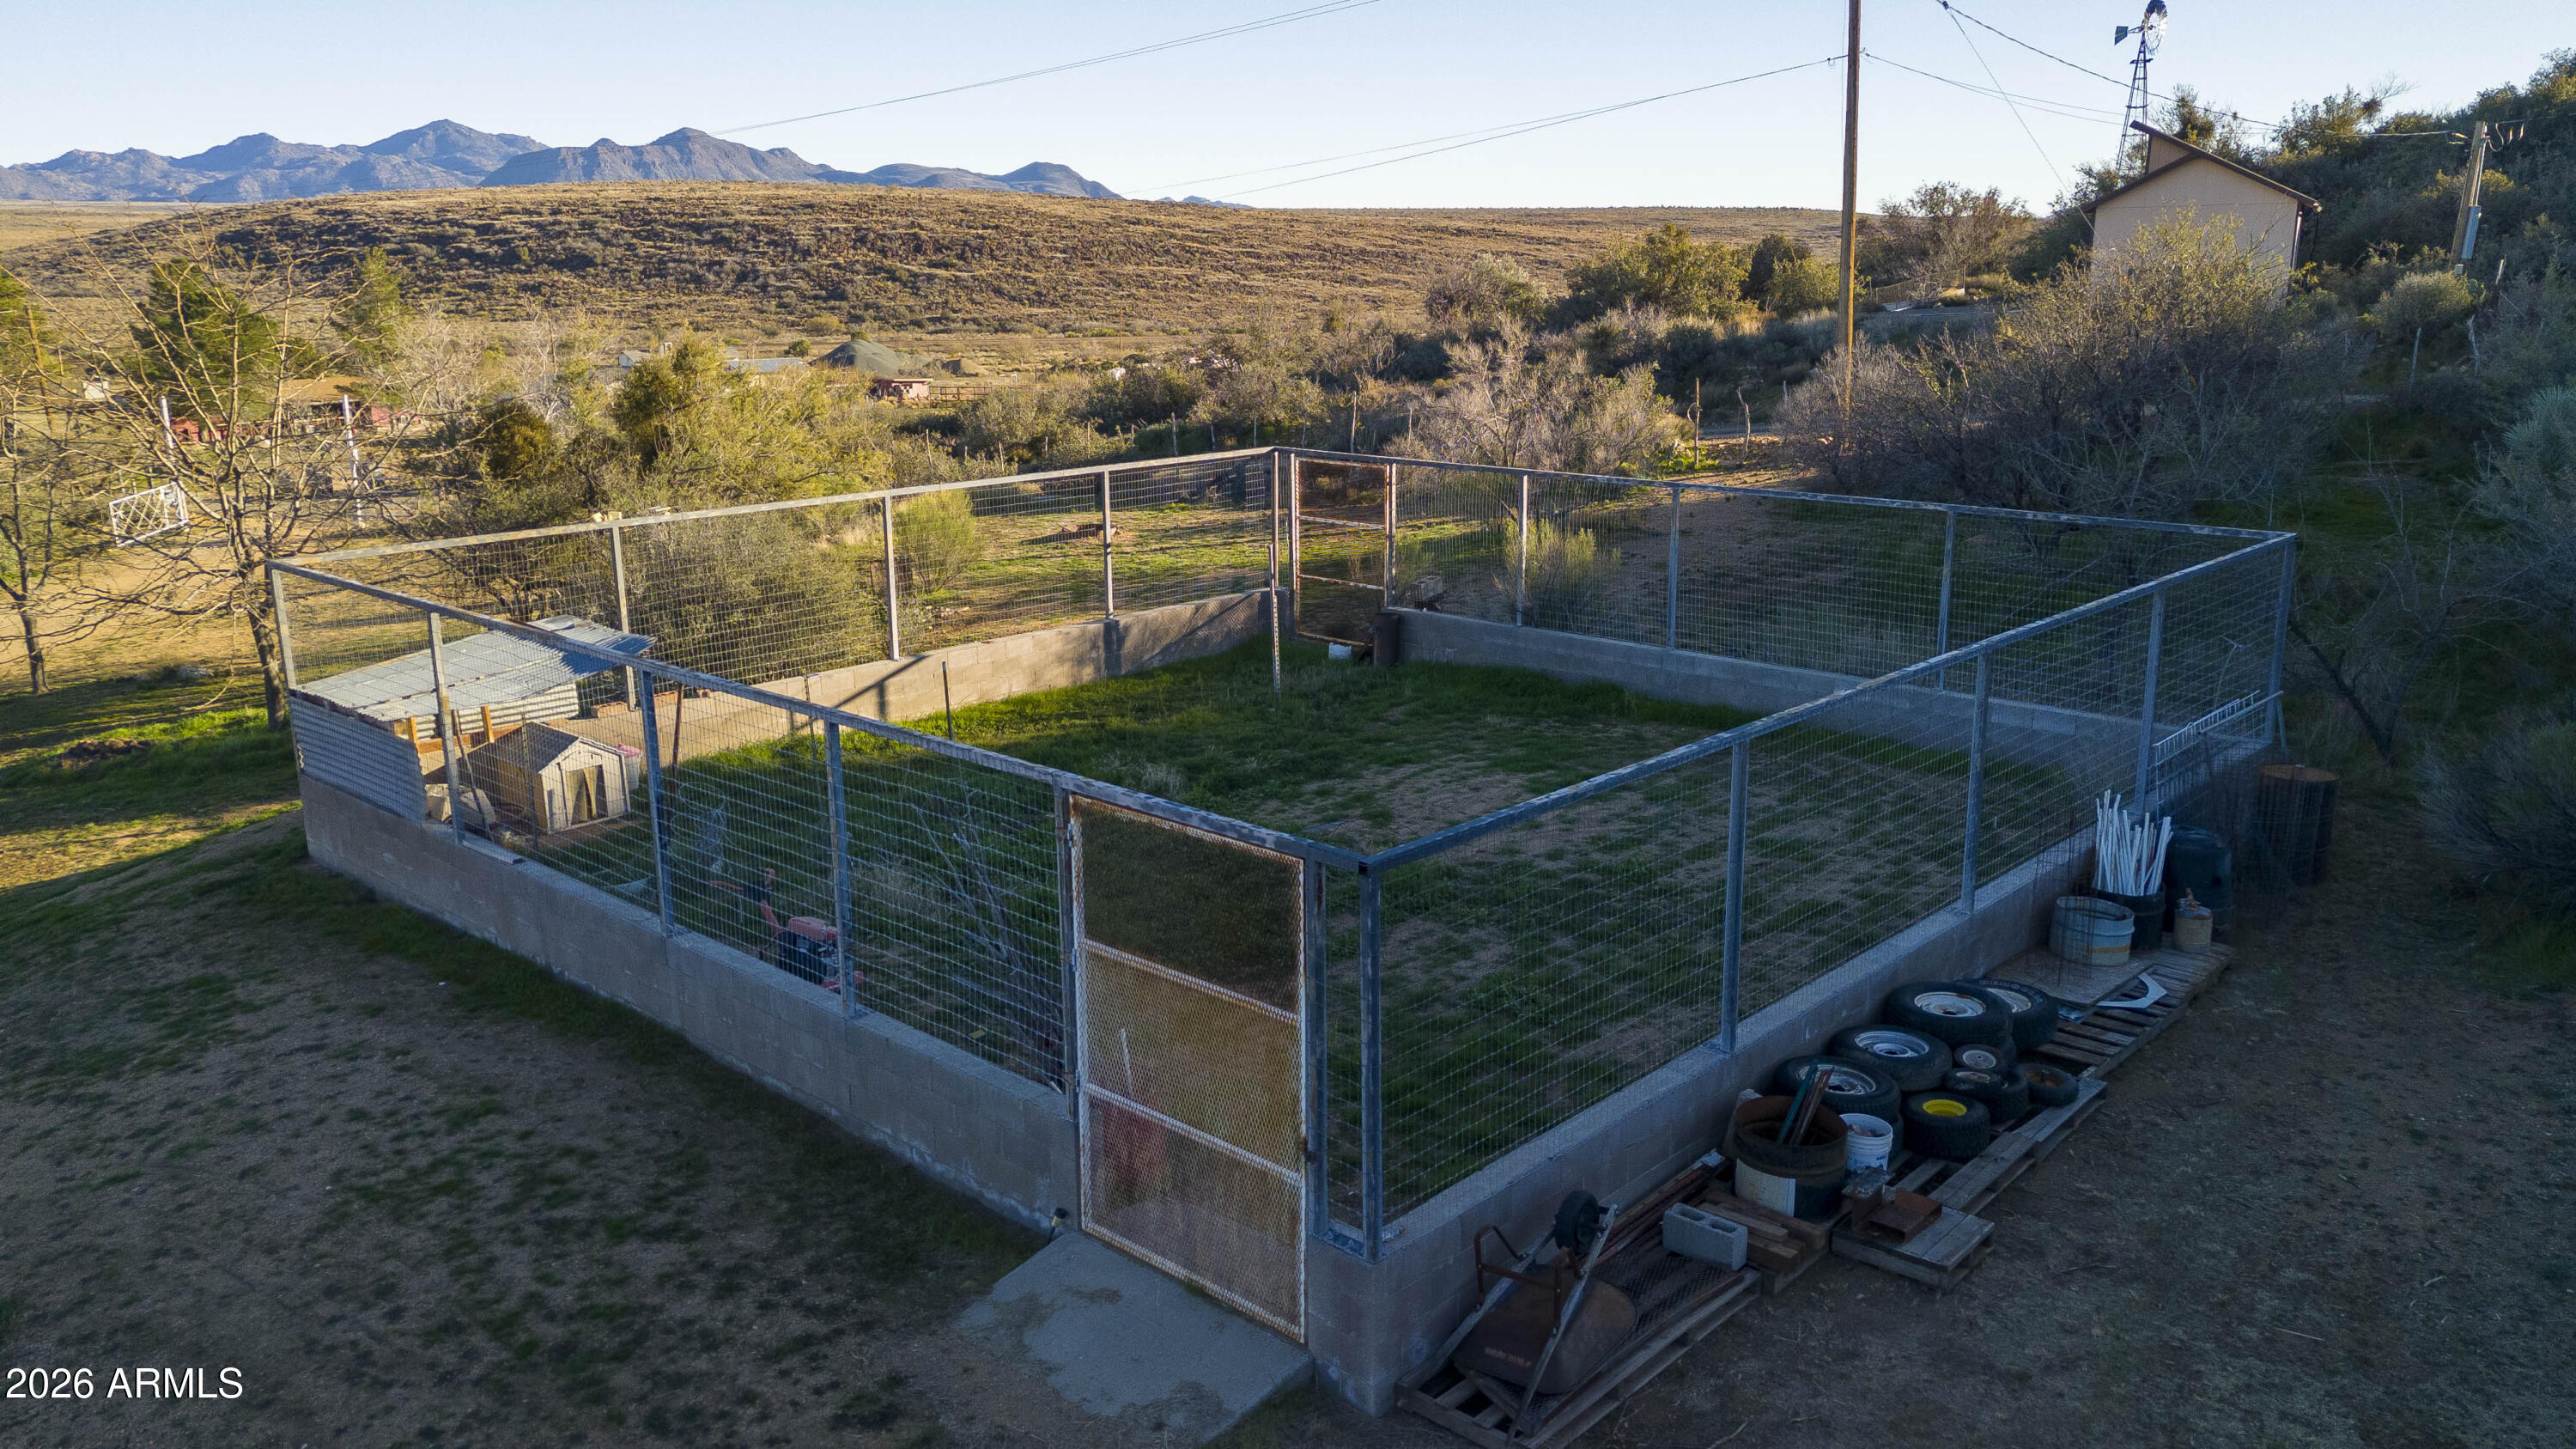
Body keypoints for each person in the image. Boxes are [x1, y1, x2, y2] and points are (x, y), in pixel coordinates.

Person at [710, 868, 862, 995]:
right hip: (811, 966)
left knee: (791, 928)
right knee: (791, 928)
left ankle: (823, 955)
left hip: (812, 967)